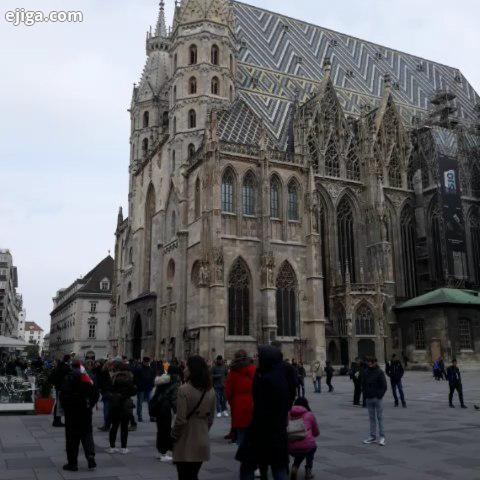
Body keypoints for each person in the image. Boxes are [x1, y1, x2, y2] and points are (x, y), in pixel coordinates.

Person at [237, 345, 290, 480]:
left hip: (262, 430)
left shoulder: (266, 379)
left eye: (259, 357)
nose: (257, 359)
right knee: (278, 466)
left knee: (247, 465)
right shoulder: (280, 377)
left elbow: (261, 406)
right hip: (278, 431)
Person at [172, 355, 216, 480]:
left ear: (192, 370)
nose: (184, 370)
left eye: (186, 367)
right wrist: (203, 430)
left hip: (185, 439)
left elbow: (180, 420)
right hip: (202, 438)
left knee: (184, 476)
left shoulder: (183, 390)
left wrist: (174, 435)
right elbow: (211, 418)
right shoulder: (211, 390)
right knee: (193, 475)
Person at [60, 360, 99, 471]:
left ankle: (72, 464)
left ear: (72, 367)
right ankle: (90, 456)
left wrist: (66, 408)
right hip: (85, 411)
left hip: (72, 412)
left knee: (72, 438)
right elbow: (96, 393)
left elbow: (63, 395)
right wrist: (90, 405)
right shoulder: (89, 376)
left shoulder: (69, 377)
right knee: (87, 434)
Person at [225, 350, 256, 446]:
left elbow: (228, 391)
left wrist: (231, 402)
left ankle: (241, 449)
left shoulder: (233, 372)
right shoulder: (253, 369)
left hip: (237, 403)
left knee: (241, 430)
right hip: (252, 402)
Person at [149, 367, 180, 462]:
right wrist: (177, 411)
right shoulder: (175, 381)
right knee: (166, 430)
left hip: (158, 407)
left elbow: (154, 393)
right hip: (166, 409)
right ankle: (164, 453)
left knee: (161, 430)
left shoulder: (162, 379)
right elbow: (174, 398)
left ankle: (162, 451)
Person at [108, 361, 137, 454]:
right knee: (124, 427)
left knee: (114, 426)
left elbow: (110, 390)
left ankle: (112, 447)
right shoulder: (129, 378)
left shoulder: (113, 377)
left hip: (115, 404)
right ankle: (123, 448)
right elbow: (133, 391)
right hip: (125, 404)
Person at [288, 397, 319, 480]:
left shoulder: (288, 413)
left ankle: (295, 467)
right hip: (306, 445)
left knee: (299, 450)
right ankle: (308, 470)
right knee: (311, 447)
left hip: (289, 446)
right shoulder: (309, 414)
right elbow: (316, 432)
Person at [362, 357, 387, 446]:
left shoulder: (379, 372)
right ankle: (372, 436)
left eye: (371, 362)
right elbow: (363, 384)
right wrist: (365, 395)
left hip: (377, 398)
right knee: (371, 418)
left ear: (375, 362)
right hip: (369, 398)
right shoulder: (366, 371)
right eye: (368, 362)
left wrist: (379, 395)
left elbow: (384, 386)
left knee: (380, 418)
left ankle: (382, 437)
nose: (370, 364)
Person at [271, 341, 297, 408]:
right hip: (283, 404)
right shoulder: (288, 367)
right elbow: (293, 387)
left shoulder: (263, 367)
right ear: (281, 349)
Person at [49, 355, 72, 427]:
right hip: (62, 388)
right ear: (68, 360)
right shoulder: (65, 367)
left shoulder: (60, 366)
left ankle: (56, 420)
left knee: (58, 404)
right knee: (59, 404)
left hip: (58, 387)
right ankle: (57, 421)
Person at [133, 357, 155, 422]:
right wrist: (138, 384)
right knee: (140, 402)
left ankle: (151, 416)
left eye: (148, 362)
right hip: (141, 388)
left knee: (150, 403)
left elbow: (152, 378)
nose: (147, 363)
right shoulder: (139, 369)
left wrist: (152, 384)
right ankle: (140, 416)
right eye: (146, 362)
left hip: (148, 388)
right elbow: (135, 378)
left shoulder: (150, 369)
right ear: (144, 362)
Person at [96, 360, 113, 431]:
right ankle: (107, 425)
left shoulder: (106, 372)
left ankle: (107, 425)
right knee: (107, 409)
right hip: (107, 392)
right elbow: (103, 382)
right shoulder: (105, 372)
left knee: (107, 409)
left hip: (108, 392)